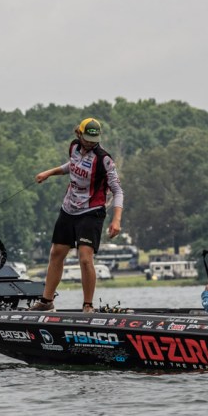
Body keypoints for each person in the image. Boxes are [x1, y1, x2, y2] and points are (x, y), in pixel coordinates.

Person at [32, 117, 124, 313]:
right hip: (69, 208)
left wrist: (116, 220)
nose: (90, 143)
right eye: (87, 139)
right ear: (79, 134)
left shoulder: (104, 159)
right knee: (56, 253)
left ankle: (88, 305)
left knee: (84, 257)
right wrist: (49, 173)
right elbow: (72, 166)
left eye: (94, 140)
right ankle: (46, 301)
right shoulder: (74, 146)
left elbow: (118, 191)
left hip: (91, 212)